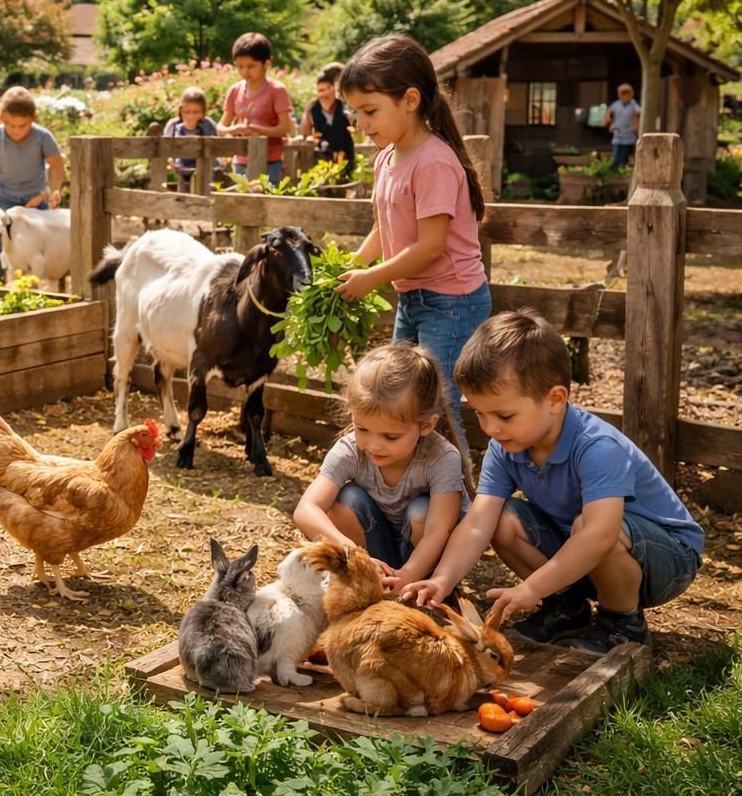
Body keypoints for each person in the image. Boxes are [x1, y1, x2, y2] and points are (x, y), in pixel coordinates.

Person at [402, 311, 704, 655]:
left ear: (555, 399)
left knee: (591, 526)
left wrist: (531, 587)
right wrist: (443, 578)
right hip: (583, 548)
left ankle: (623, 623)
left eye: (504, 415)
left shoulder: (598, 447)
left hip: (666, 560)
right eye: (479, 413)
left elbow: (600, 535)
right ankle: (566, 608)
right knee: (500, 518)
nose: (490, 428)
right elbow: (476, 524)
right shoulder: (505, 446)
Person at [334, 35, 490, 448]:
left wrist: (371, 279)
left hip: (452, 302)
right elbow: (385, 228)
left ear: (410, 100)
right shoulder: (387, 157)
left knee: (438, 408)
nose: (362, 123)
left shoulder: (433, 161)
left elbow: (430, 246)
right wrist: (353, 265)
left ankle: (458, 486)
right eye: (356, 113)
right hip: (415, 297)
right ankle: (413, 484)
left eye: (370, 111)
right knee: (401, 399)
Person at [293, 344, 471, 593]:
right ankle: (367, 579)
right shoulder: (350, 450)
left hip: (422, 561)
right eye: (362, 429)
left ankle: (421, 587)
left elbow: (439, 530)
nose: (374, 445)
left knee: (421, 511)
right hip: (372, 552)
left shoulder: (441, 457)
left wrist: (408, 575)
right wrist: (353, 554)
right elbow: (306, 509)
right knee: (346, 498)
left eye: (391, 436)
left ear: (426, 426)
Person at [0, 86, 66, 282]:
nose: (16, 130)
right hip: (5, 199)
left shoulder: (43, 137)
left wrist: (51, 191)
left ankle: (43, 285)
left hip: (36, 200)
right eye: (10, 125)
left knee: (43, 243)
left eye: (23, 125)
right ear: (1, 118)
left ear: (33, 118)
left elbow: (57, 167)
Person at [217, 32, 294, 184]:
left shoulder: (277, 90)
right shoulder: (234, 91)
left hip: (271, 161)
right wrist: (234, 129)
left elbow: (285, 128)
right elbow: (221, 127)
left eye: (251, 66)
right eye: (240, 66)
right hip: (241, 161)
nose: (245, 72)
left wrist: (258, 130)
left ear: (266, 63)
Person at [301, 61, 357, 179]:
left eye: (327, 89)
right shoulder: (312, 109)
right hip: (322, 161)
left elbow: (355, 129)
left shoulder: (344, 107)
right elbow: (306, 134)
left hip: (345, 158)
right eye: (320, 90)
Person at [163, 86, 219, 192]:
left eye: (196, 112)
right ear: (181, 110)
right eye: (187, 112)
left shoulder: (207, 125)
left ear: (203, 112)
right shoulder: (174, 125)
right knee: (182, 192)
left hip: (205, 168)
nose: (191, 116)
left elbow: (217, 144)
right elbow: (165, 145)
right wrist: (170, 159)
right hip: (181, 168)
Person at [607, 82, 641, 168]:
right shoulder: (615, 104)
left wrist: (637, 128)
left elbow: (637, 116)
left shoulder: (634, 105)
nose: (625, 96)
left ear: (631, 94)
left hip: (629, 136)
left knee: (624, 160)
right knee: (616, 160)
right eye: (623, 93)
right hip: (618, 136)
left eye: (627, 93)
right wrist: (611, 125)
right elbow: (608, 116)